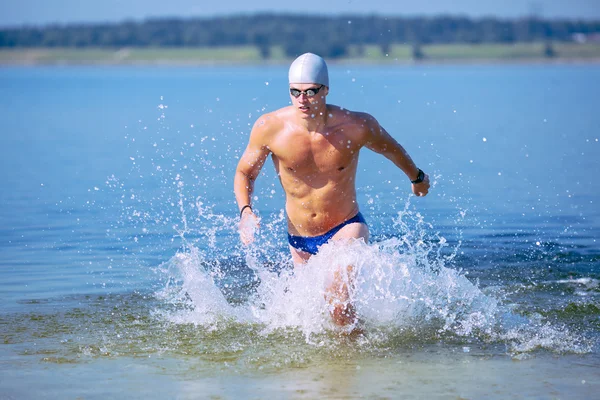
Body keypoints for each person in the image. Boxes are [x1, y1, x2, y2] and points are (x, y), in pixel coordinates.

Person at [234, 53, 430, 330]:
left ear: (325, 90)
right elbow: (245, 172)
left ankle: (352, 367)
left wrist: (417, 177)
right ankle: (344, 360)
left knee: (338, 302)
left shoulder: (356, 126)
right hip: (299, 239)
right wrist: (245, 212)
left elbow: (392, 150)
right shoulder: (270, 128)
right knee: (311, 320)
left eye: (311, 91)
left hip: (345, 227)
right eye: (295, 92)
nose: (302, 99)